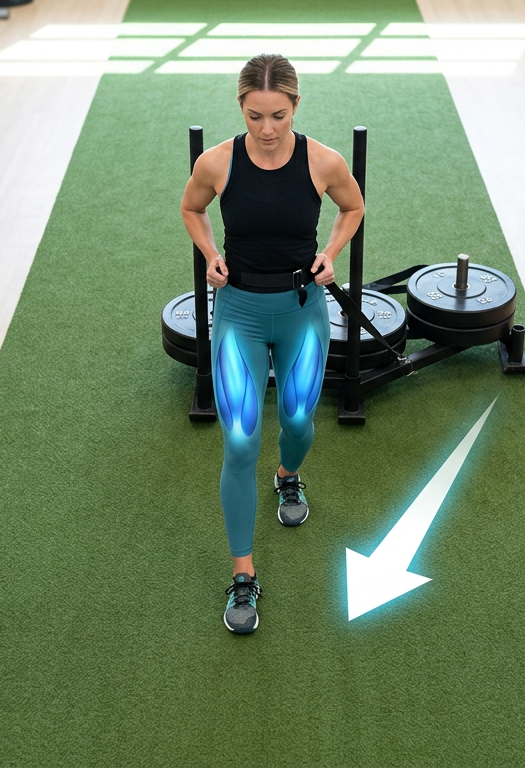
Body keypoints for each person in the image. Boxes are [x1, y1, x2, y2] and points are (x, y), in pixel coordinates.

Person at [180, 53, 365, 634]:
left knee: (299, 419)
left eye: (278, 116)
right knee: (238, 441)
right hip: (238, 313)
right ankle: (243, 573)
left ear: (295, 108)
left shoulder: (323, 161)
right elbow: (191, 208)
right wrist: (211, 254)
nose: (266, 129)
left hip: (301, 309)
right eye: (256, 115)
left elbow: (352, 207)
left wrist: (330, 254)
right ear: (241, 107)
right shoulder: (217, 163)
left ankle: (288, 472)